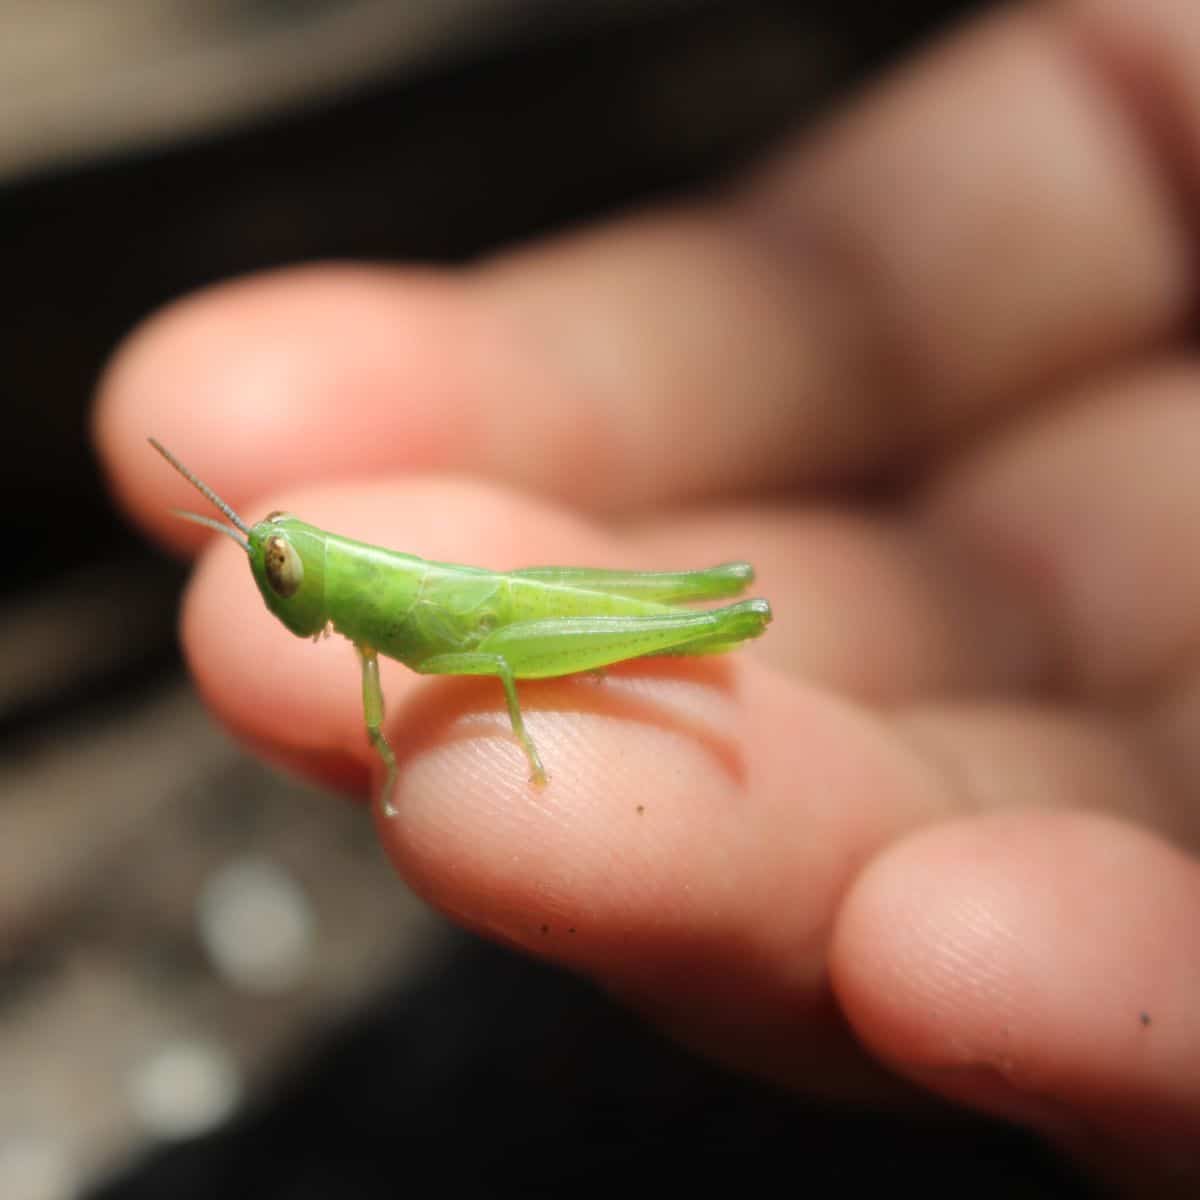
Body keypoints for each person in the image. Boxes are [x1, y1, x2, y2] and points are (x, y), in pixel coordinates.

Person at [94, 0, 1200, 1190]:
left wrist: (511, 755)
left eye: (282, 559)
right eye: (278, 561)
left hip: (498, 623)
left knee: (526, 644)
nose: (281, 574)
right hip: (483, 609)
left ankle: (705, 619)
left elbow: (474, 660)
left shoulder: (377, 616)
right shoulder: (353, 611)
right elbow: (366, 668)